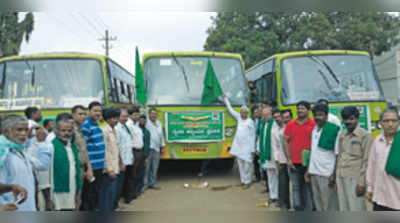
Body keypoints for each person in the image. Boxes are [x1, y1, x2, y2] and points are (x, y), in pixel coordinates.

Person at [0, 115, 52, 211]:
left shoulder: (22, 151)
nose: (24, 134)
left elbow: (43, 165)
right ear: (6, 132)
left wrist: (42, 143)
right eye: (19, 130)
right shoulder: (3, 154)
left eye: (26, 130)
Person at [334, 106, 373, 211]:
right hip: (341, 177)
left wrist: (362, 183)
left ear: (357, 118)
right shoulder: (342, 135)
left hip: (355, 179)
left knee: (356, 209)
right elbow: (340, 157)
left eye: (351, 119)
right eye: (345, 119)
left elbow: (367, 161)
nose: (348, 122)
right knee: (344, 208)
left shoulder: (365, 136)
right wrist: (336, 178)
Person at [283, 101, 316, 211]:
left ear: (308, 110)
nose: (300, 111)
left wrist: (312, 163)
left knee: (308, 188)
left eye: (302, 108)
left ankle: (309, 211)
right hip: (294, 163)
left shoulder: (314, 125)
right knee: (296, 188)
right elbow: (286, 141)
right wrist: (288, 159)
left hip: (309, 164)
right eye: (298, 109)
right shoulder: (290, 125)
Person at [306, 104, 340, 211]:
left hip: (327, 174)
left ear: (326, 116)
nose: (318, 118)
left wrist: (334, 175)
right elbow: (313, 152)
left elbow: (338, 154)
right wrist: (308, 170)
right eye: (315, 115)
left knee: (330, 206)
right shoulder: (314, 129)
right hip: (314, 173)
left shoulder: (334, 130)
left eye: (321, 115)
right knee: (318, 203)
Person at [366, 107, 400, 211]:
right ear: (380, 123)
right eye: (386, 121)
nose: (390, 124)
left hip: (397, 199)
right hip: (379, 198)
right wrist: (369, 188)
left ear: (398, 122)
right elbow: (371, 166)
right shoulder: (377, 140)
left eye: (394, 121)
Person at [222, 94, 255, 190]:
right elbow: (230, 109)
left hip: (248, 148)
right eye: (241, 112)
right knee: (240, 165)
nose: (243, 114)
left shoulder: (250, 121)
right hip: (239, 147)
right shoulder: (238, 118)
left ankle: (248, 181)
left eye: (245, 112)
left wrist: (253, 149)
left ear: (247, 113)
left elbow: (252, 136)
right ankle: (243, 181)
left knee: (247, 166)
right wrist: (225, 99)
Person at [50, 113, 82, 211]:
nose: (66, 133)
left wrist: (79, 192)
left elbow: (76, 169)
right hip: (56, 192)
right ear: (56, 131)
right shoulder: (51, 146)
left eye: (69, 130)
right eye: (63, 130)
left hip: (71, 189)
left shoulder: (72, 147)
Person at [80, 101, 105, 211]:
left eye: (99, 111)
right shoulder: (86, 126)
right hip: (91, 166)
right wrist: (88, 168)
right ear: (89, 111)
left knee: (95, 192)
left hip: (99, 165)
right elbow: (83, 148)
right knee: (88, 194)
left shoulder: (96, 124)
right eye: (95, 111)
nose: (98, 113)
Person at [99, 108, 122, 211]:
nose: (116, 120)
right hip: (109, 170)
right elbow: (105, 152)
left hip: (115, 167)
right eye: (113, 118)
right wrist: (109, 169)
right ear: (107, 119)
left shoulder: (114, 130)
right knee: (107, 195)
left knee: (112, 194)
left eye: (117, 118)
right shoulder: (104, 131)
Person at [71, 105, 93, 210]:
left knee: (78, 197)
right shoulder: (70, 131)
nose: (83, 116)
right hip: (74, 169)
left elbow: (84, 151)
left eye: (84, 114)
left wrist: (88, 168)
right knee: (74, 198)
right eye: (80, 114)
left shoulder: (80, 129)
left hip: (81, 168)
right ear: (73, 115)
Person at [142, 106, 166, 191]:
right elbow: (143, 112)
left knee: (154, 167)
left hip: (157, 149)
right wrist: (144, 106)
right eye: (152, 114)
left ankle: (152, 183)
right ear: (149, 114)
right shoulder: (147, 122)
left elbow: (161, 136)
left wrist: (162, 146)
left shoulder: (159, 123)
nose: (153, 115)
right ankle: (145, 185)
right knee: (146, 168)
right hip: (148, 149)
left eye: (155, 114)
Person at [125, 106, 145, 200]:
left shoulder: (136, 125)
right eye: (135, 115)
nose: (137, 116)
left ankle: (135, 192)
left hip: (140, 151)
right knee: (131, 174)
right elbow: (129, 141)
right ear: (130, 115)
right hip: (133, 151)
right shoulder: (128, 125)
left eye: (138, 114)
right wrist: (131, 154)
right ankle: (129, 195)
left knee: (138, 173)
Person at [115, 107, 134, 206]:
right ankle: (116, 204)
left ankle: (126, 199)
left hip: (128, 159)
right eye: (123, 116)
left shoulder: (125, 127)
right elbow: (117, 146)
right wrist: (120, 162)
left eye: (126, 116)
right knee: (118, 184)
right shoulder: (117, 128)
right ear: (117, 117)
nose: (125, 118)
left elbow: (128, 143)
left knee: (125, 181)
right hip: (121, 161)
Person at [276, 109, 292, 211]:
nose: (286, 120)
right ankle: (284, 204)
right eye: (284, 118)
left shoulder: (294, 128)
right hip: (282, 160)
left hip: (292, 161)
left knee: (294, 186)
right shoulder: (280, 130)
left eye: (288, 118)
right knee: (283, 184)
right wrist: (278, 160)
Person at [265, 108, 282, 206]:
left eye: (267, 114)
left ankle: (280, 197)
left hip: (278, 157)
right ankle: (273, 196)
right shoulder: (264, 124)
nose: (265, 117)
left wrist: (277, 158)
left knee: (279, 177)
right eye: (264, 115)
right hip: (268, 155)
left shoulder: (276, 125)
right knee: (270, 176)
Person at [139, 115, 151, 193]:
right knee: (137, 172)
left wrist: (146, 156)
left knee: (145, 170)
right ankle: (138, 187)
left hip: (144, 153)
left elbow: (147, 144)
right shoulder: (135, 129)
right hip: (137, 153)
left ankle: (144, 185)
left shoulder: (147, 132)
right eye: (141, 120)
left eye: (144, 120)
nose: (143, 121)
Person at [251, 105, 262, 182]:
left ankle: (262, 177)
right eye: (255, 112)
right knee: (255, 161)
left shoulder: (262, 121)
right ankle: (258, 176)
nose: (256, 113)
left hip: (260, 144)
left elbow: (259, 134)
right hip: (254, 143)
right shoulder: (253, 121)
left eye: (257, 112)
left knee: (260, 160)